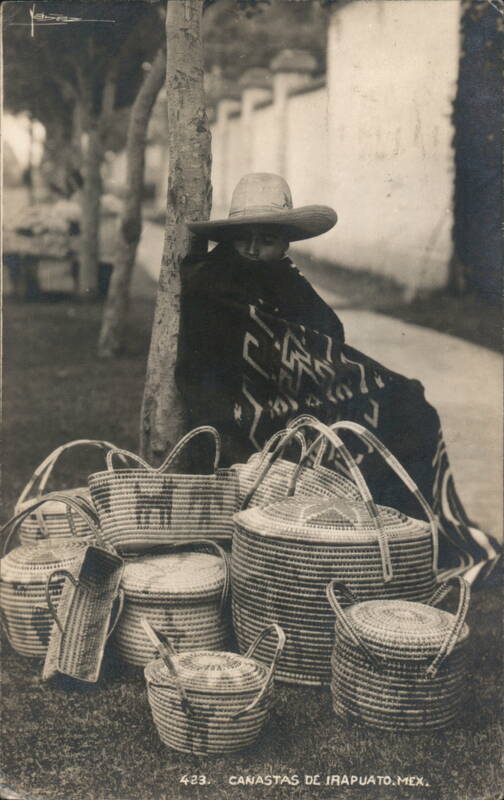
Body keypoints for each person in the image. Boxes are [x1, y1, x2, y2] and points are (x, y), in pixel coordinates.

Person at [177, 172, 500, 586]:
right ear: (230, 237)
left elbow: (327, 333)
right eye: (244, 237)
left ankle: (405, 544)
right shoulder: (214, 280)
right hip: (244, 409)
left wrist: (309, 366)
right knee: (369, 422)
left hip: (300, 399)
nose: (254, 249)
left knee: (407, 407)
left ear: (286, 241)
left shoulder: (286, 279)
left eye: (267, 239)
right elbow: (211, 357)